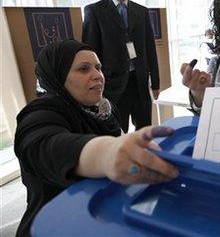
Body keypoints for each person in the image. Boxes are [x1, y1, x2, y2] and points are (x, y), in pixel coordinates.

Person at [14, 40, 179, 237]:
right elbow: (42, 145)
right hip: (53, 226)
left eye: (98, 68)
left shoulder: (104, 108)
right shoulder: (39, 114)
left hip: (102, 212)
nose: (97, 76)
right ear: (58, 74)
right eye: (84, 69)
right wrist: (105, 153)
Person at [82, 0, 159, 133]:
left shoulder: (141, 11)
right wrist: (94, 89)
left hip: (139, 83)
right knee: (117, 132)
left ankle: (144, 159)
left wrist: (155, 81)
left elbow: (149, 48)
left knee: (145, 131)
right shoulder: (94, 11)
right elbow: (89, 55)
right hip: (112, 86)